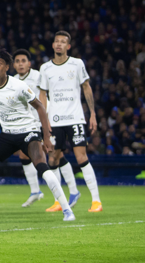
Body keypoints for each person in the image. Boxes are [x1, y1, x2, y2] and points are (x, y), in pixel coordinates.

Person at [0, 48, 75, 222]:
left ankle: (67, 210)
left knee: (41, 166)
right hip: (7, 134)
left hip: (28, 132)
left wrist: (46, 136)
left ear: (7, 66)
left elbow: (40, 107)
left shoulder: (19, 86)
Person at [38, 31, 102, 213]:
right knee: (53, 158)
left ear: (68, 46)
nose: (59, 44)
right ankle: (59, 201)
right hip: (55, 120)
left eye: (63, 42)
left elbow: (86, 87)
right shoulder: (45, 68)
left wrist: (93, 114)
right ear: (52, 45)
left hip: (75, 118)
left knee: (81, 157)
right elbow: (43, 95)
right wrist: (45, 121)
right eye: (56, 41)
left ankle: (96, 201)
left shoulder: (77, 64)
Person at [12, 49, 45, 207]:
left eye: (23, 61)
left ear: (29, 63)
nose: (20, 64)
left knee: (49, 157)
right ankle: (35, 191)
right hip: (24, 124)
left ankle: (61, 195)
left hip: (41, 122)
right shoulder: (12, 81)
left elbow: (47, 97)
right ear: (13, 65)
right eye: (17, 61)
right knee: (24, 156)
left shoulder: (38, 76)